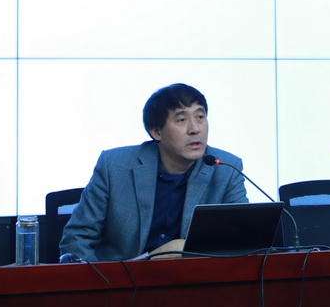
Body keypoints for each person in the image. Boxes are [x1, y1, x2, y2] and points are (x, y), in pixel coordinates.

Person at [59, 83, 248, 261]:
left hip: (193, 280)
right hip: (120, 280)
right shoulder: (114, 166)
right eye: (182, 120)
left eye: (200, 117)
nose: (195, 129)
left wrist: (185, 248)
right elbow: (76, 239)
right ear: (156, 132)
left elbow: (242, 241)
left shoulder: (226, 168)